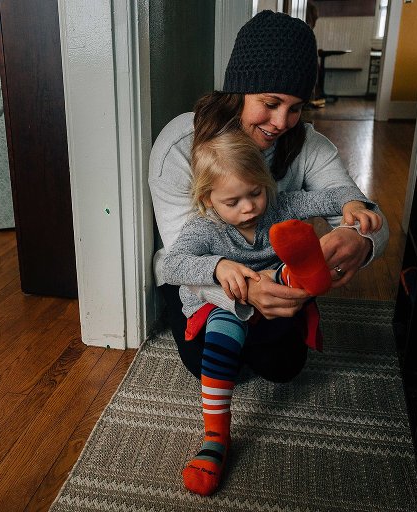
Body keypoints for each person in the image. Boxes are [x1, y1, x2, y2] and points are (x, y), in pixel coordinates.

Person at [148, 8, 390, 491]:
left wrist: (359, 239)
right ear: (238, 90)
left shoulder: (309, 146)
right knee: (212, 362)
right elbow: (178, 259)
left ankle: (295, 279)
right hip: (211, 286)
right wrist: (239, 291)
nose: (282, 122)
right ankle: (217, 431)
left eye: (296, 107)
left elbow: (359, 206)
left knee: (283, 367)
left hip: (279, 275)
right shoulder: (179, 146)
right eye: (271, 102)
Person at [162, 129, 382, 496]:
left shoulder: (278, 207)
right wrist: (217, 267)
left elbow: (333, 194)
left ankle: (297, 272)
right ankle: (216, 437)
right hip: (225, 307)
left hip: (277, 300)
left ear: (266, 184)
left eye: (255, 192)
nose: (249, 207)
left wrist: (354, 206)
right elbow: (172, 267)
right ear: (208, 200)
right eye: (233, 201)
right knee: (222, 327)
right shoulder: (203, 228)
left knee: (286, 317)